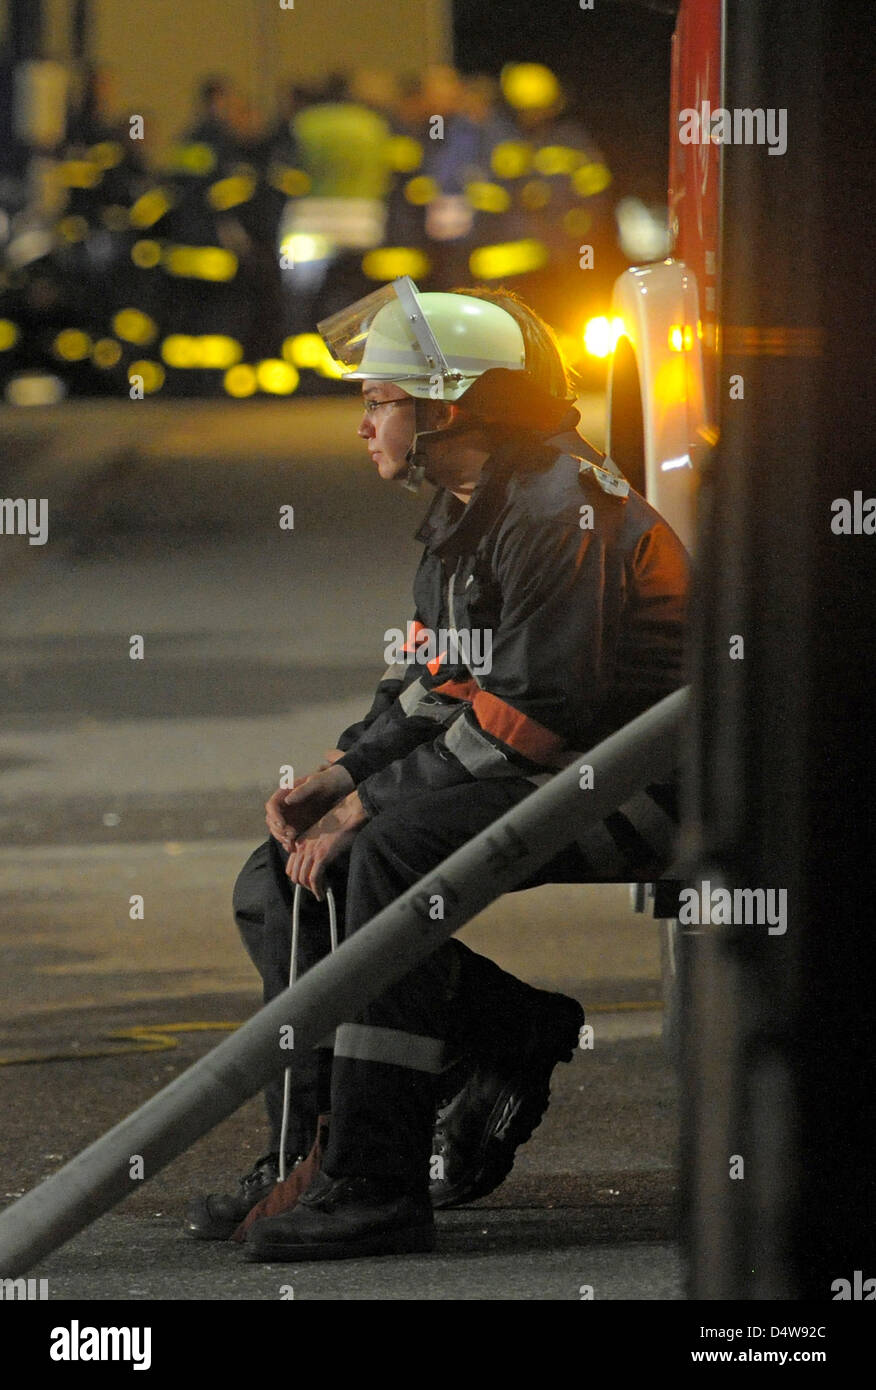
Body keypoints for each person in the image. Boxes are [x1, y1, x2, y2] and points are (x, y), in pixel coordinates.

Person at [186, 279, 690, 1260]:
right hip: (551, 772)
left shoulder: (558, 506)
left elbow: (532, 720)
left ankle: (374, 1184)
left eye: (380, 400)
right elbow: (434, 683)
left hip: (643, 793)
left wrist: (365, 810)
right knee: (274, 884)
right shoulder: (473, 508)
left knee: (376, 860)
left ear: (448, 406)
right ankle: (314, 1153)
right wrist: (332, 782)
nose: (364, 422)